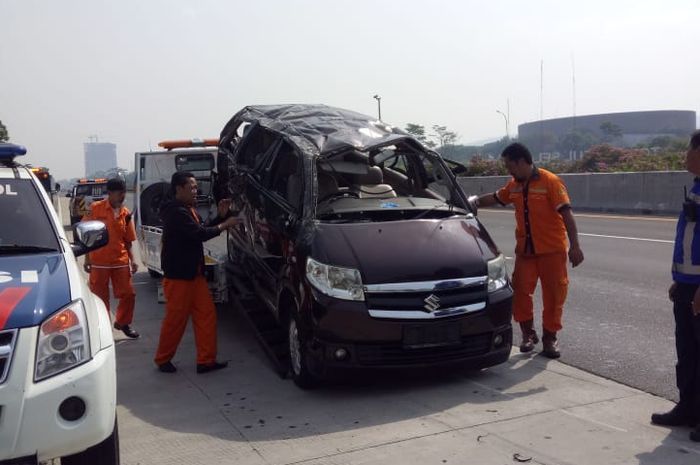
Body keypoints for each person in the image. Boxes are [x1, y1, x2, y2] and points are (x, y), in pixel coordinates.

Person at [473, 142, 584, 358]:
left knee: (554, 296)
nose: (508, 170)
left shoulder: (550, 182)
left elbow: (567, 215)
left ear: (521, 162)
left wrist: (575, 246)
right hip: (526, 253)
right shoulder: (513, 185)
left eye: (509, 165)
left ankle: (550, 339)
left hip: (552, 251)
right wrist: (473, 202)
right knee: (520, 294)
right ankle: (527, 334)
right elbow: (495, 198)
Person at [154, 171, 238, 374]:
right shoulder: (175, 212)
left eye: (195, 186)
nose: (195, 190)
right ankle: (163, 359)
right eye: (191, 187)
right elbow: (199, 234)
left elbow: (200, 229)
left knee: (206, 315)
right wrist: (224, 225)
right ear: (178, 189)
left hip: (194, 274)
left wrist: (220, 216)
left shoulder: (187, 209)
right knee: (176, 321)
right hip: (179, 277)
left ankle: (206, 361)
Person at [651, 130, 700, 442]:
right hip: (687, 286)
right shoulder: (696, 188)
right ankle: (689, 408)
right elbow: (690, 242)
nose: (685, 155)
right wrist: (679, 281)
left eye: (689, 149)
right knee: (688, 352)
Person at [82, 177, 139, 338]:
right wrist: (87, 259)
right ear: (110, 193)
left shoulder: (125, 213)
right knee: (100, 299)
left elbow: (128, 240)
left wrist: (133, 260)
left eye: (124, 193)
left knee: (129, 294)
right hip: (99, 262)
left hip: (120, 261)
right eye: (119, 193)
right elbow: (86, 235)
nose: (122, 197)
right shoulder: (94, 209)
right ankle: (104, 330)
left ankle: (123, 323)